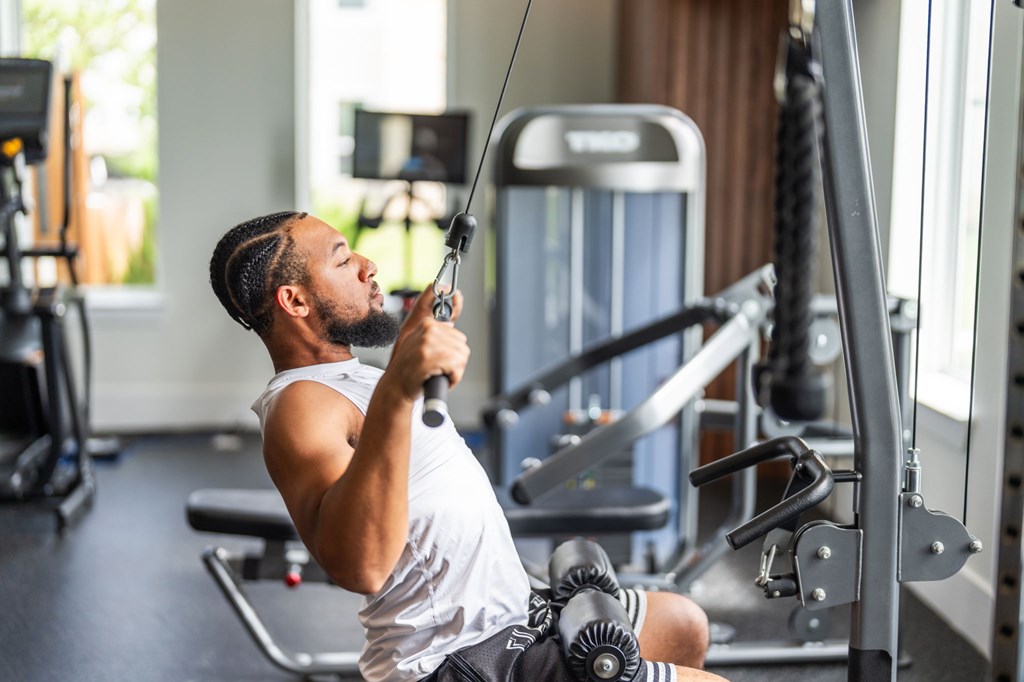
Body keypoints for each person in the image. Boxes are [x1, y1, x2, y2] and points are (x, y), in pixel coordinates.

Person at [209, 211, 726, 682]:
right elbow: (359, 565)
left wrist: (402, 362)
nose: (367, 266)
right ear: (294, 300)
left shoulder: (347, 376)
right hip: (461, 660)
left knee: (682, 624)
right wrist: (398, 388)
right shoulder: (299, 404)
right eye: (343, 260)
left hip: (511, 614)